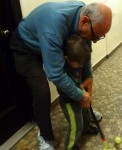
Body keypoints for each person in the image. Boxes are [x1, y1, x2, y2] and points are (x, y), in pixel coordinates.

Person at [10, 1, 112, 150]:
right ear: (84, 22)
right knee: (41, 90)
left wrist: (88, 77)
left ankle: (84, 116)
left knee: (77, 73)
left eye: (100, 37)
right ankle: (45, 136)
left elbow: (86, 50)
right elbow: (56, 74)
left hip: (48, 38)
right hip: (26, 46)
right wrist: (80, 96)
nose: (95, 41)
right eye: (96, 36)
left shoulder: (84, 13)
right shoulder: (53, 29)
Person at [58, 35, 97, 150]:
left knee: (86, 113)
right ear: (67, 58)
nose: (80, 66)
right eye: (78, 64)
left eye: (82, 64)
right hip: (69, 102)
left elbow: (83, 73)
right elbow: (67, 87)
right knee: (76, 125)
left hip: (80, 95)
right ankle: (70, 146)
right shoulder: (63, 69)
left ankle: (86, 128)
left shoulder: (78, 60)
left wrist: (85, 87)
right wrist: (80, 93)